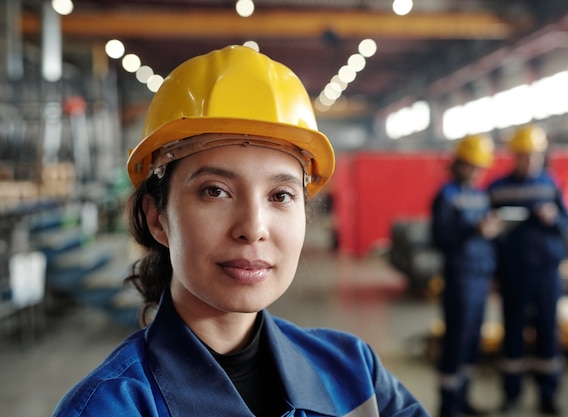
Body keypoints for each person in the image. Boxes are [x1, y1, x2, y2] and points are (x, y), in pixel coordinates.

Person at [51, 45, 430, 417]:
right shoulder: (110, 408)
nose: (253, 228)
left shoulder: (356, 375)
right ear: (157, 218)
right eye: (215, 191)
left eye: (280, 195)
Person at [487, 124, 568, 416]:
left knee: (548, 332)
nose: (529, 161)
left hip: (547, 275)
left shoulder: (551, 185)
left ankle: (547, 396)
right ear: (515, 156)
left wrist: (554, 219)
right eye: (524, 155)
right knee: (512, 335)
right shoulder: (497, 189)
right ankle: (511, 395)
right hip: (513, 276)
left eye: (534, 156)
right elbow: (489, 236)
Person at [430, 134, 502, 417]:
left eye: (480, 167)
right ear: (459, 163)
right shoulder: (446, 196)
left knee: (473, 339)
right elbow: (440, 238)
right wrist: (474, 231)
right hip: (459, 278)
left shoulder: (481, 195)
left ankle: (464, 398)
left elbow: (486, 236)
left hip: (481, 276)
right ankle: (448, 406)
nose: (477, 172)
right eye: (472, 166)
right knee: (457, 339)